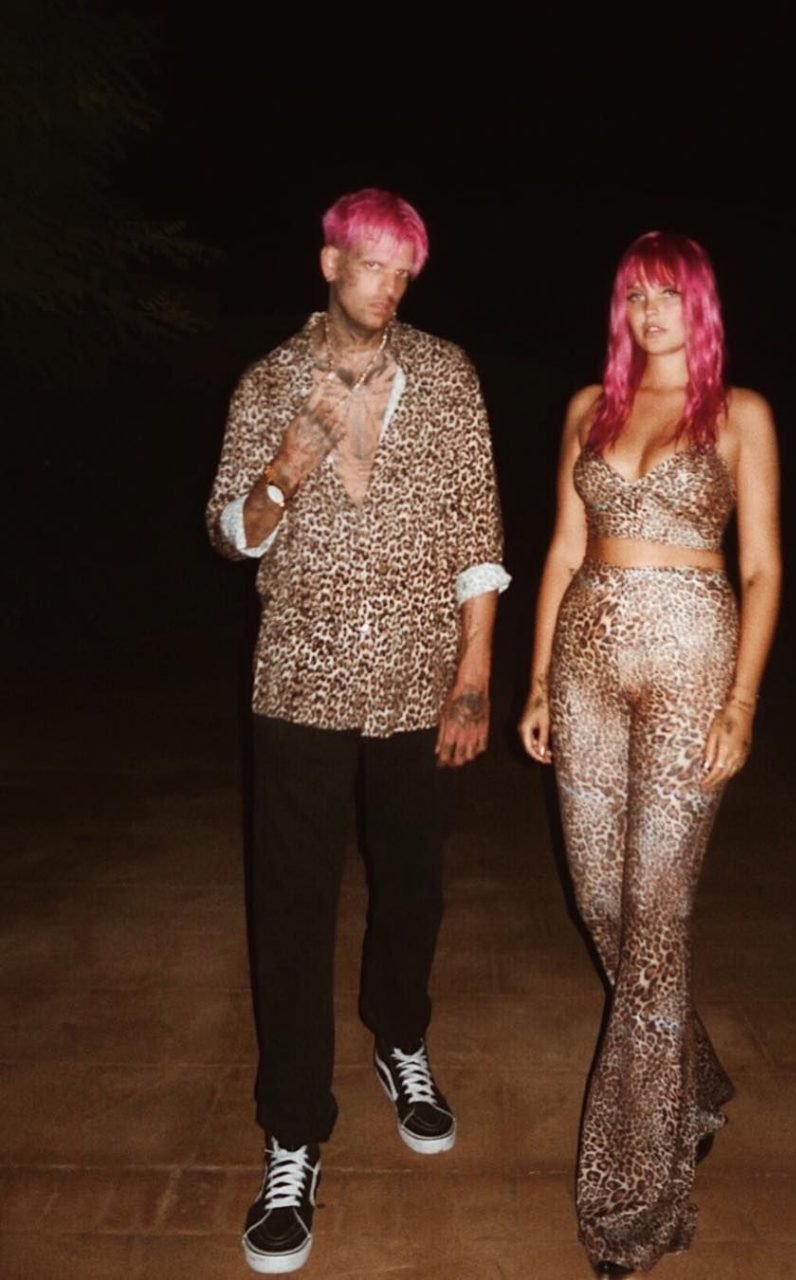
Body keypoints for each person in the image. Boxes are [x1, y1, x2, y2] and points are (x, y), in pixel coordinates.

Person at [206, 188, 509, 1275]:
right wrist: (282, 472)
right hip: (298, 681)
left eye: (404, 270)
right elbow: (231, 535)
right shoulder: (265, 384)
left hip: (420, 682)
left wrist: (473, 676)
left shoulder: (448, 376)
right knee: (291, 905)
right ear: (330, 261)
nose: (389, 284)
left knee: (413, 879)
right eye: (373, 263)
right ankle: (293, 1131)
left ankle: (400, 1036)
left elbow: (478, 533)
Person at [519, 231, 781, 1276]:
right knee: (601, 904)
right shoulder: (590, 406)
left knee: (656, 924)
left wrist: (742, 702)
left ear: (700, 305)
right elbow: (560, 549)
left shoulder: (740, 413)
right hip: (585, 658)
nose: (650, 310)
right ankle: (695, 1081)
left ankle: (632, 1201)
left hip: (691, 660)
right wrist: (537, 680)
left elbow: (760, 569)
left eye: (669, 293)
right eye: (635, 294)